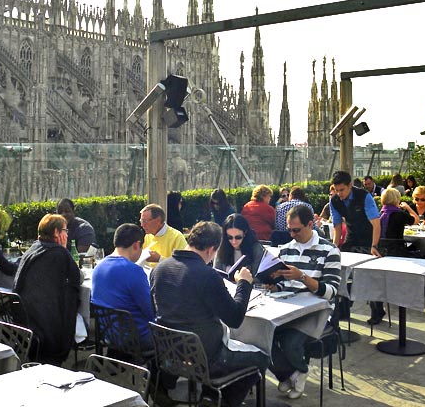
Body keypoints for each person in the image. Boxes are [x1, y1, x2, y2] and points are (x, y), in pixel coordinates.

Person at [150, 221, 269, 407]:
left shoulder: (159, 269)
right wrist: (244, 284)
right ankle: (221, 401)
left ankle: (210, 396)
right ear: (211, 250)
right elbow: (235, 319)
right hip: (207, 357)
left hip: (170, 351)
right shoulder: (207, 276)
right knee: (262, 358)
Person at [267, 206, 341, 400]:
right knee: (260, 335)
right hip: (287, 307)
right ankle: (290, 374)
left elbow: (332, 291)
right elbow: (285, 285)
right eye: (289, 230)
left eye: (296, 230)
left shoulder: (330, 250)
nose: (292, 234)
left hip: (316, 311)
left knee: (290, 343)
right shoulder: (285, 249)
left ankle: (299, 370)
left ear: (311, 224)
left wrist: (302, 277)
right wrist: (275, 286)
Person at [14, 213, 81, 365]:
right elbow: (77, 278)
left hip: (27, 321)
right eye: (65, 231)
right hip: (47, 328)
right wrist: (64, 249)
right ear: (57, 233)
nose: (67, 234)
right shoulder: (58, 253)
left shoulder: (33, 248)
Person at [329, 170, 382, 324]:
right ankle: (344, 310)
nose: (339, 193)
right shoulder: (335, 201)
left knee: (370, 276)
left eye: (342, 190)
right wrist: (334, 248)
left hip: (369, 237)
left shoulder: (364, 196)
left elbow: (376, 223)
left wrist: (374, 246)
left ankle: (377, 311)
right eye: (336, 190)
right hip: (352, 238)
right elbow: (337, 226)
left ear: (350, 185)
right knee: (342, 273)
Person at [91, 223, 153, 350]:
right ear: (136, 245)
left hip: (108, 334)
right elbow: (150, 311)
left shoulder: (98, 268)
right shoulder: (134, 271)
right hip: (137, 338)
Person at [377, 188, 419, 257]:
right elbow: (416, 220)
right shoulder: (400, 214)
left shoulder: (380, 213)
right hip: (398, 250)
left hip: (382, 249)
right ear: (397, 199)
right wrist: (408, 208)